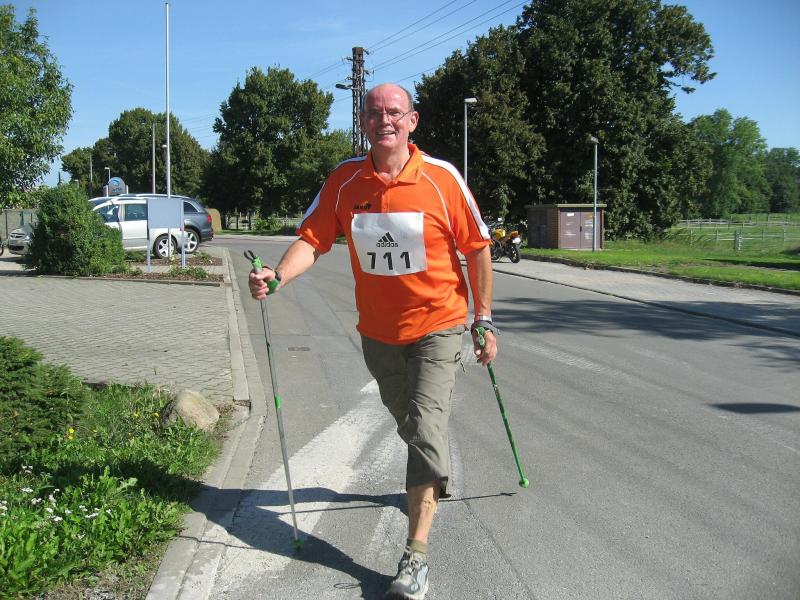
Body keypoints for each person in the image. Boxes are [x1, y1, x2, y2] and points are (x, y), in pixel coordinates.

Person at [249, 82, 497, 600]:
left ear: (412, 120)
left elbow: (477, 247)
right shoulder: (345, 180)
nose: (385, 119)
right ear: (364, 121)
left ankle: (415, 557)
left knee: (425, 427)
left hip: (439, 324)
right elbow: (313, 239)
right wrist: (278, 275)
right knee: (411, 425)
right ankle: (431, 470)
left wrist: (483, 317)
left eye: (395, 112)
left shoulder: (442, 179)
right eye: (375, 112)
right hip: (378, 334)